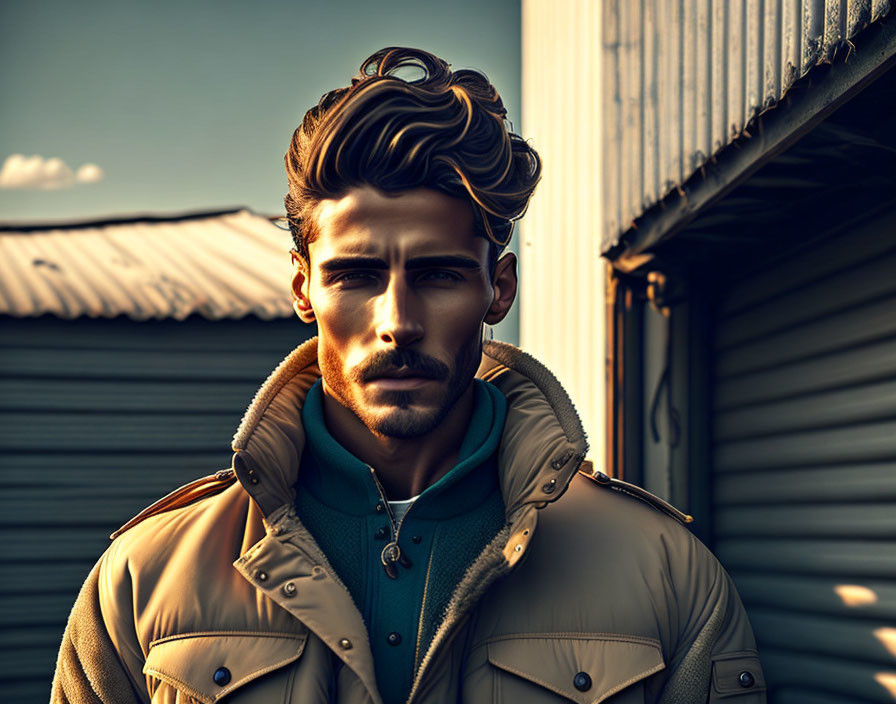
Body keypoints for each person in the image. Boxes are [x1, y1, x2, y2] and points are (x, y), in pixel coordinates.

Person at [51, 47, 765, 703]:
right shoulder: (141, 581)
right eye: (356, 275)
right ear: (303, 290)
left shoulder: (667, 574)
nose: (397, 320)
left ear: (499, 288)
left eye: (439, 274)